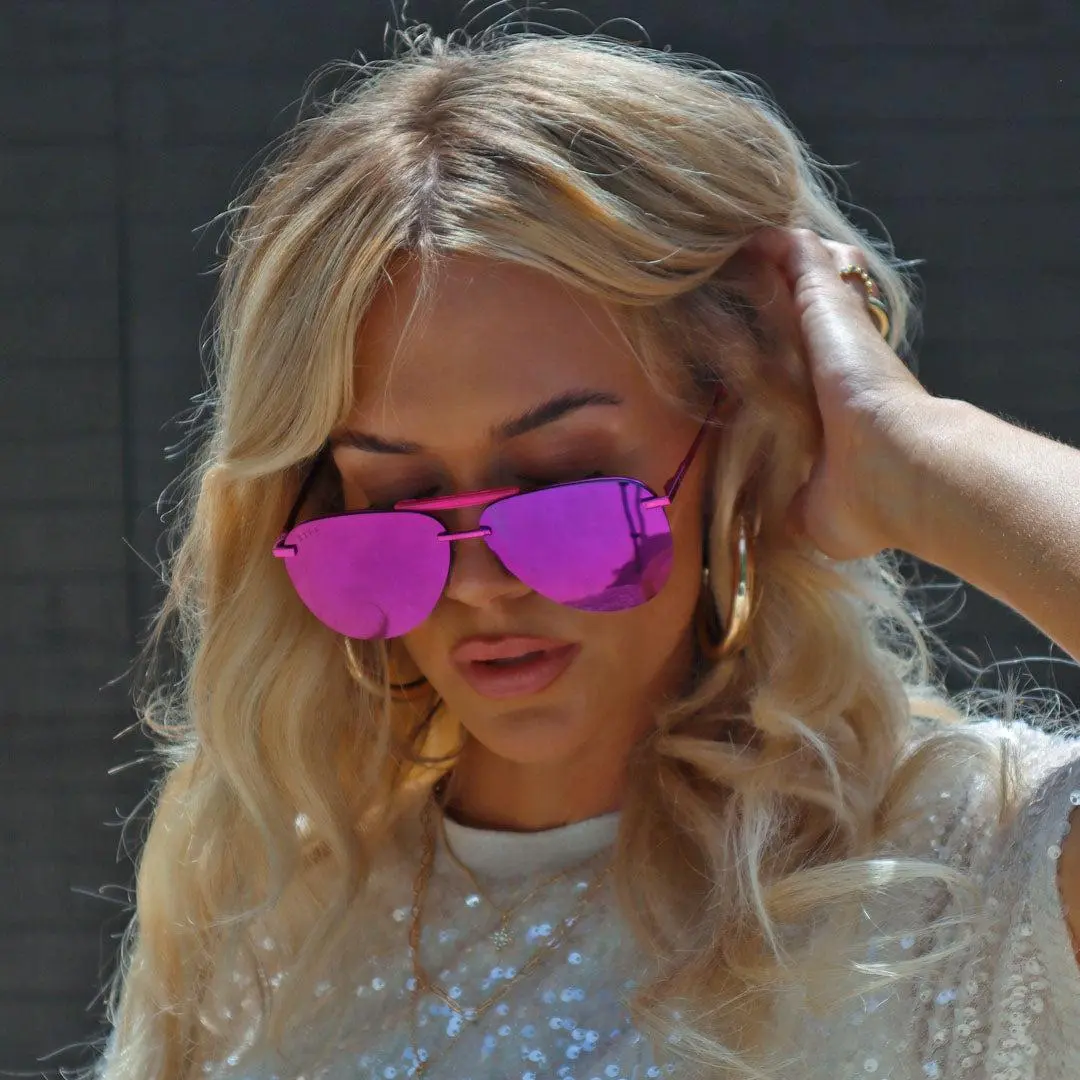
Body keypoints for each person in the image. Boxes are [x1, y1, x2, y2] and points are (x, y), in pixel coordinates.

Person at [91, 26, 1080, 1080]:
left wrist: (911, 451)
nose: (479, 581)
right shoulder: (264, 917)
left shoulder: (960, 876)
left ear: (732, 439)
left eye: (564, 486)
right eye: (399, 497)